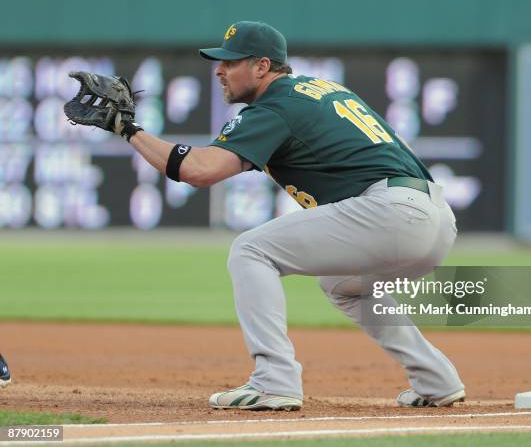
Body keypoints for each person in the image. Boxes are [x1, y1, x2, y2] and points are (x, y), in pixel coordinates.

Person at [81, 21, 465, 411]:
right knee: (342, 284)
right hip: (433, 217)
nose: (219, 70)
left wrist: (126, 129)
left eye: (230, 63)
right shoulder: (322, 89)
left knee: (250, 250)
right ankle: (437, 380)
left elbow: (199, 170)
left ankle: (274, 381)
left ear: (263, 66)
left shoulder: (276, 105)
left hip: (390, 214)